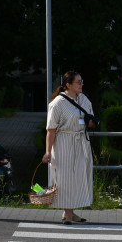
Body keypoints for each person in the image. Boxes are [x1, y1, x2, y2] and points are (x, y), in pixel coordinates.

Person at [42, 71, 95, 224]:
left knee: (78, 177)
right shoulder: (57, 103)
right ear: (68, 85)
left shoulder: (83, 99)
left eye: (81, 81)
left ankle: (70, 212)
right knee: (65, 179)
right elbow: (51, 130)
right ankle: (68, 213)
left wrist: (91, 122)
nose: (81, 84)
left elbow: (90, 119)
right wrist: (48, 152)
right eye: (78, 82)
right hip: (63, 143)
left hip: (81, 142)